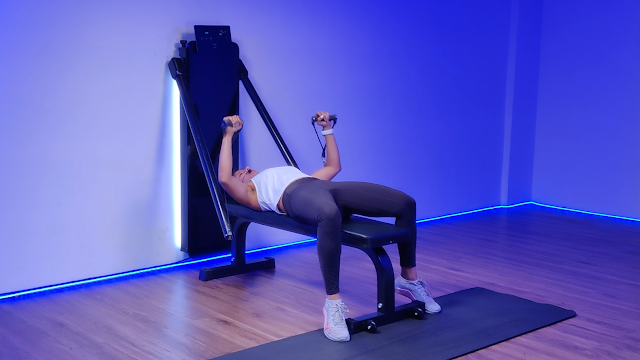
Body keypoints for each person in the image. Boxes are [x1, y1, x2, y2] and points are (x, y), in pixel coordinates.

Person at [218, 112, 441, 342]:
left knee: (405, 204)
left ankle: (408, 279)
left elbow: (334, 166)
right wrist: (229, 134)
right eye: (240, 174)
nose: (244, 169)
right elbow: (225, 178)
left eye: (244, 168)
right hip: (296, 197)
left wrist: (327, 129)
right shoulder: (252, 193)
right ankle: (333, 305)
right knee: (329, 213)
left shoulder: (294, 174)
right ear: (243, 186)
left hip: (319, 187)